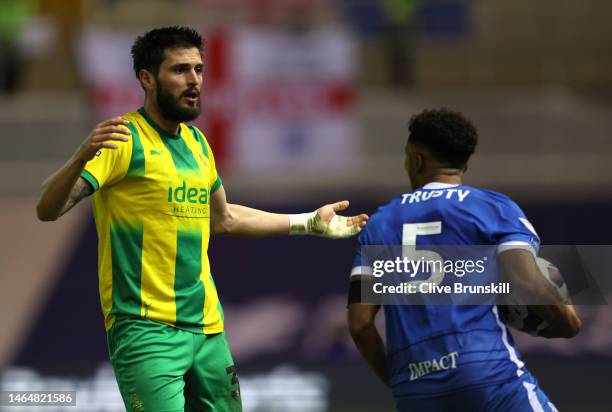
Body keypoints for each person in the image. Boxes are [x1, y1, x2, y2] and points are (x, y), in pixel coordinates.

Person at [36, 26, 368, 412]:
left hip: (209, 329)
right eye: (179, 70)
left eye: (198, 69)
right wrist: (79, 157)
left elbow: (224, 218)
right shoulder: (124, 140)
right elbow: (48, 209)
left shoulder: (197, 143)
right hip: (147, 332)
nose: (194, 80)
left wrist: (307, 222)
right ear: (147, 78)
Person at [347, 108, 581, 411]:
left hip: (416, 390)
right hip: (486, 375)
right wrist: (567, 323)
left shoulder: (379, 224)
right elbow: (525, 281)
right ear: (465, 162)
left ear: (416, 159)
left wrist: (401, 383)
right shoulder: (491, 207)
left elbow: (359, 324)